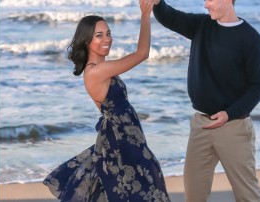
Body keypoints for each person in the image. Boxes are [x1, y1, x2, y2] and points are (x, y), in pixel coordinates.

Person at [43, 0, 171, 201]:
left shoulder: (102, 68)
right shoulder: (96, 71)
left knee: (134, 189)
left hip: (127, 137)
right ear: (87, 40)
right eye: (99, 35)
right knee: (143, 190)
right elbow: (142, 53)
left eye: (108, 33)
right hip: (120, 141)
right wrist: (145, 15)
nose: (107, 39)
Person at [153, 0, 260, 201]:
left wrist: (229, 113)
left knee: (247, 195)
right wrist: (157, 3)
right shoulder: (201, 26)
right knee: (193, 193)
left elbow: (257, 87)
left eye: (210, 0)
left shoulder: (252, 40)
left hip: (233, 127)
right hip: (201, 125)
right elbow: (170, 17)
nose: (206, 5)